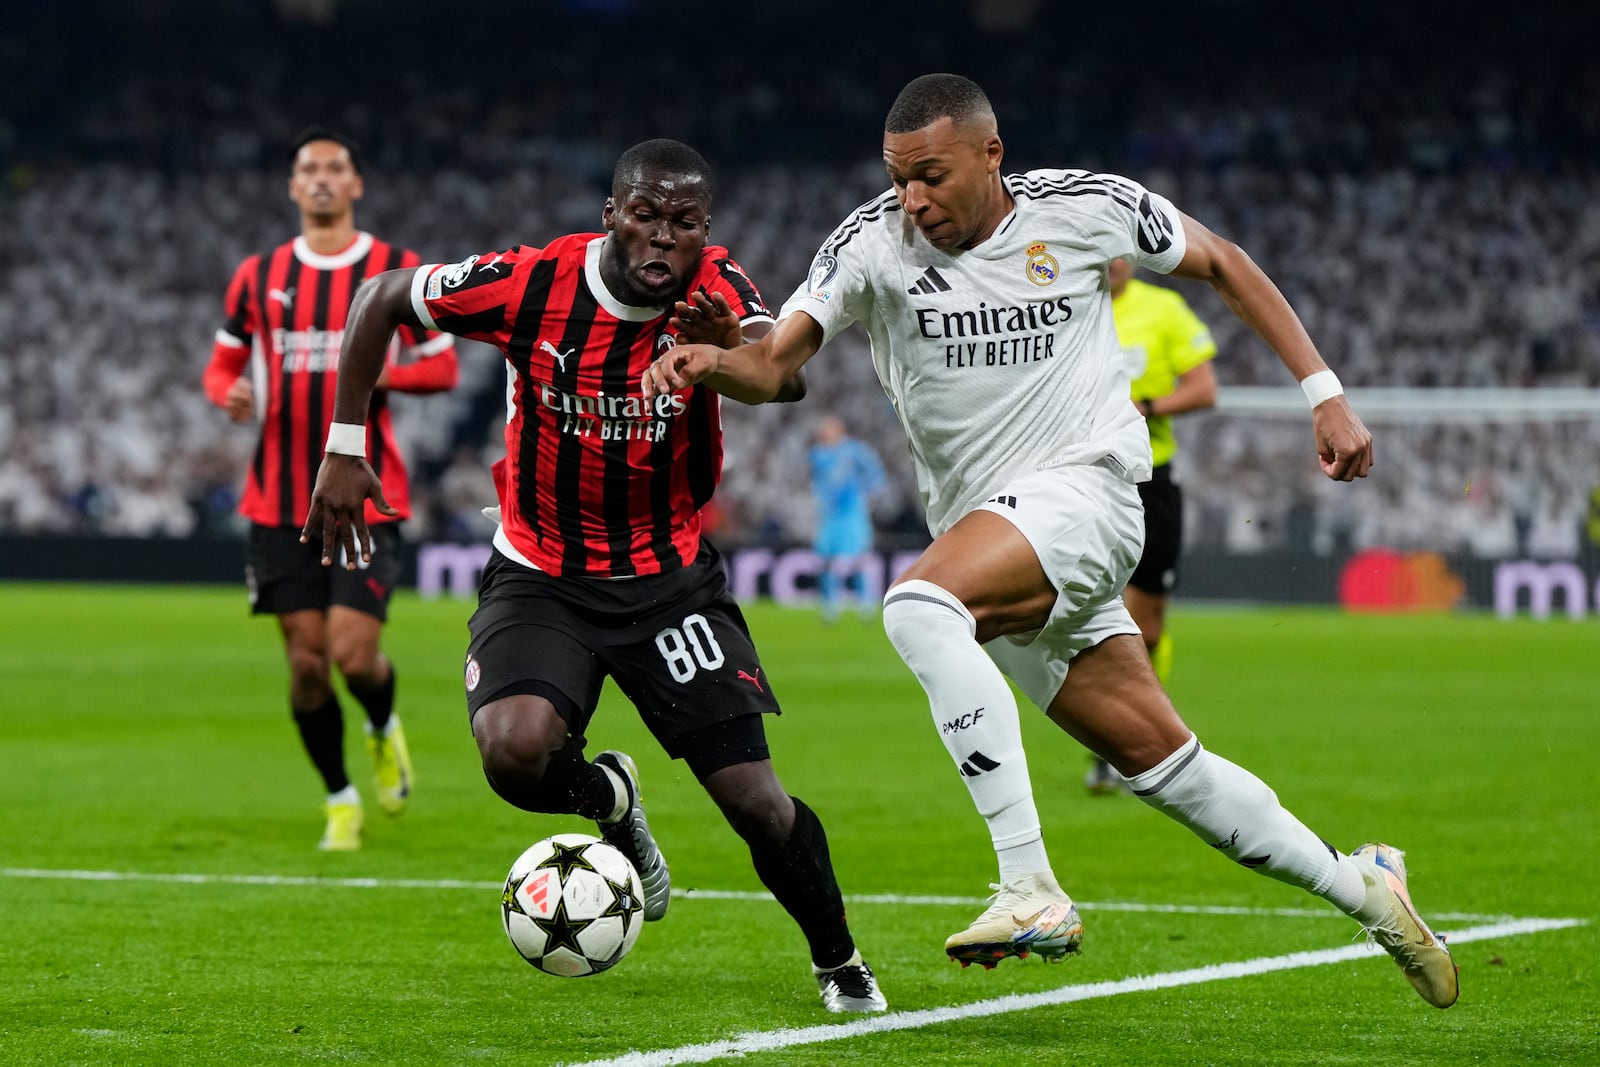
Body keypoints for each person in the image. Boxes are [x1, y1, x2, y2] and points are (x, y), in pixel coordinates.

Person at [643, 75, 1457, 1008]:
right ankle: (1369, 889)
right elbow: (775, 361)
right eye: (900, 178)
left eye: (932, 177)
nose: (914, 199)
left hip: (1090, 495)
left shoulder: (1083, 209)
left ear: (992, 155)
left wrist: (1325, 392)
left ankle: (1028, 884)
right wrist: (713, 361)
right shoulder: (871, 242)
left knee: (917, 606)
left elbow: (1224, 260)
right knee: (1168, 771)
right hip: (996, 535)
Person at [301, 139, 886, 1013]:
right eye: (644, 216)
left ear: (704, 231)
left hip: (668, 580)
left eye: (682, 224)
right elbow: (380, 296)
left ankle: (839, 962)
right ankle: (610, 795)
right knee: (514, 752)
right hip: (542, 572)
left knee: (756, 803)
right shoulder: (530, 283)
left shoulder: (717, 287)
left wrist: (722, 351)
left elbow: (782, 378)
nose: (661, 239)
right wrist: (344, 447)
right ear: (612, 215)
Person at [203, 127, 459, 851]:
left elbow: (441, 368)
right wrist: (229, 394)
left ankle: (381, 723)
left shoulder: (396, 268)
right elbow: (220, 367)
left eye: (333, 168)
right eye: (307, 169)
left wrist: (387, 375)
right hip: (277, 502)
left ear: (356, 184)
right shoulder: (257, 275)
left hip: (364, 494)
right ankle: (340, 798)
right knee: (307, 664)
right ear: (292, 187)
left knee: (352, 656)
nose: (319, 179)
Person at [1084, 257, 1218, 795]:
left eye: (1122, 253)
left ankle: (1136, 739)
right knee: (1088, 615)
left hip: (1151, 479)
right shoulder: (1067, 303)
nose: (1112, 263)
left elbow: (1205, 389)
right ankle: (1108, 745)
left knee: (1149, 628)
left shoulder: (1164, 310)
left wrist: (1147, 405)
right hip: (1085, 478)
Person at [808, 415, 886, 622]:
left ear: (840, 430)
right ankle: (830, 605)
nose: (825, 433)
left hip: (852, 514)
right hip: (830, 516)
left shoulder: (854, 450)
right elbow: (817, 482)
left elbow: (875, 472)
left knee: (858, 559)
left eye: (829, 428)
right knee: (825, 560)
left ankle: (866, 603)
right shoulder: (818, 454)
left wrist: (869, 495)